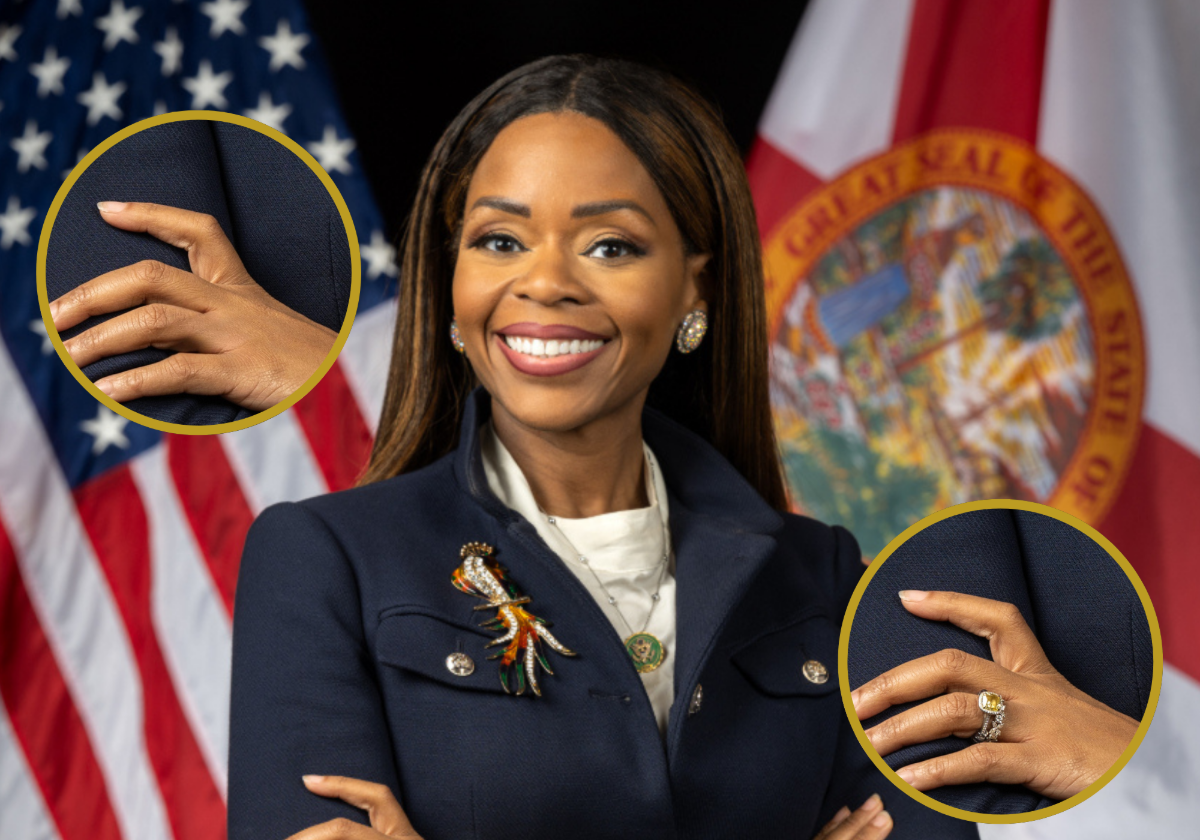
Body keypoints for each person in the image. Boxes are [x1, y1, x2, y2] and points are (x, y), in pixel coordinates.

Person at [228, 55, 977, 840]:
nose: (545, 282)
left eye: (610, 246)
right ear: (452, 281)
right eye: (501, 240)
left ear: (695, 287)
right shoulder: (326, 564)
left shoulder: (824, 579)